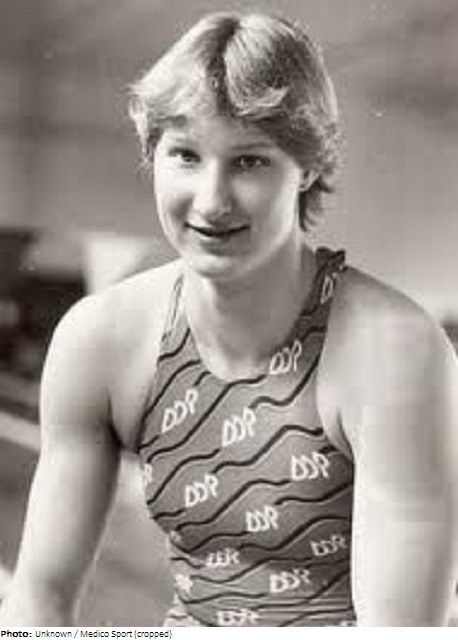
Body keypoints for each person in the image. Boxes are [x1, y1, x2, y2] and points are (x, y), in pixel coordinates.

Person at [1, 11, 458, 627]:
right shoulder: (101, 340)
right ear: (153, 155)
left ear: (308, 167)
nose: (211, 201)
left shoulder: (394, 351)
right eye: (186, 155)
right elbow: (39, 597)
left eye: (249, 162)